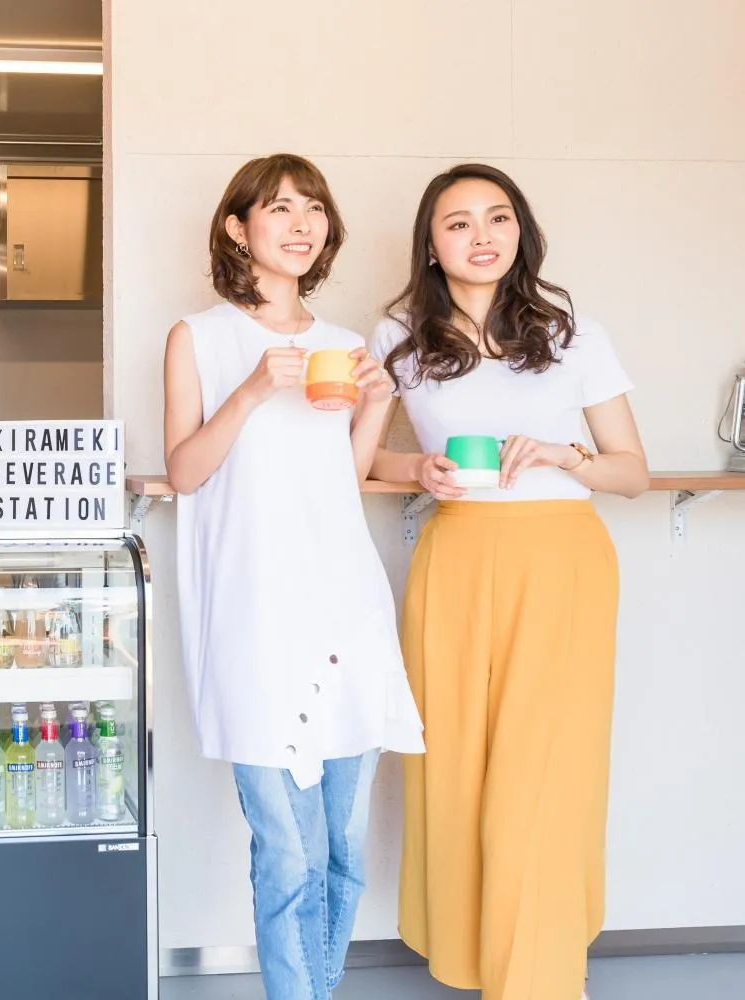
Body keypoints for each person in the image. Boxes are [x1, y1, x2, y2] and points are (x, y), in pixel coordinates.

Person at [369, 163, 648, 1000]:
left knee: (546, 769)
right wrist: (414, 464)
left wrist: (568, 456)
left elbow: (632, 472)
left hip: (562, 560)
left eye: (498, 218)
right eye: (458, 223)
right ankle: (475, 952)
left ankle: (538, 976)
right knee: (455, 765)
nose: (481, 236)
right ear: (429, 242)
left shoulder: (575, 335)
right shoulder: (395, 337)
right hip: (456, 560)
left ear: (521, 231)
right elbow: (360, 456)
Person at [163, 153, 425, 1000]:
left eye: (314, 208)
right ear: (238, 227)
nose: (302, 223)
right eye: (280, 208)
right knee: (286, 848)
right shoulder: (198, 337)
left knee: (342, 844)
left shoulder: (344, 347)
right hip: (253, 616)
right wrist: (245, 392)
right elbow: (185, 474)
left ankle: (319, 990)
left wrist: (377, 404)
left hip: (344, 605)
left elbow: (339, 480)